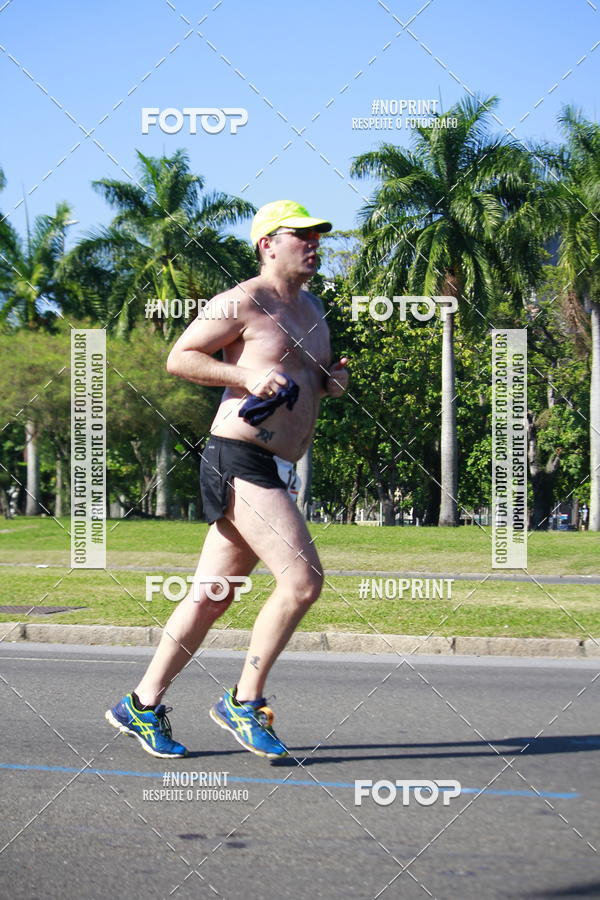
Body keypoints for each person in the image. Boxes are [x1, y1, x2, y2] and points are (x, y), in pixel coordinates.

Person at [106, 200, 349, 759]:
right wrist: (244, 374)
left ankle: (140, 705)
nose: (314, 245)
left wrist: (326, 386)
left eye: (318, 236)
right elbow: (180, 357)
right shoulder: (242, 301)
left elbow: (306, 385)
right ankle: (243, 702)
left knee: (212, 596)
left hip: (277, 468)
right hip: (237, 457)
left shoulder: (313, 311)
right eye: (302, 236)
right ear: (268, 243)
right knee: (302, 581)